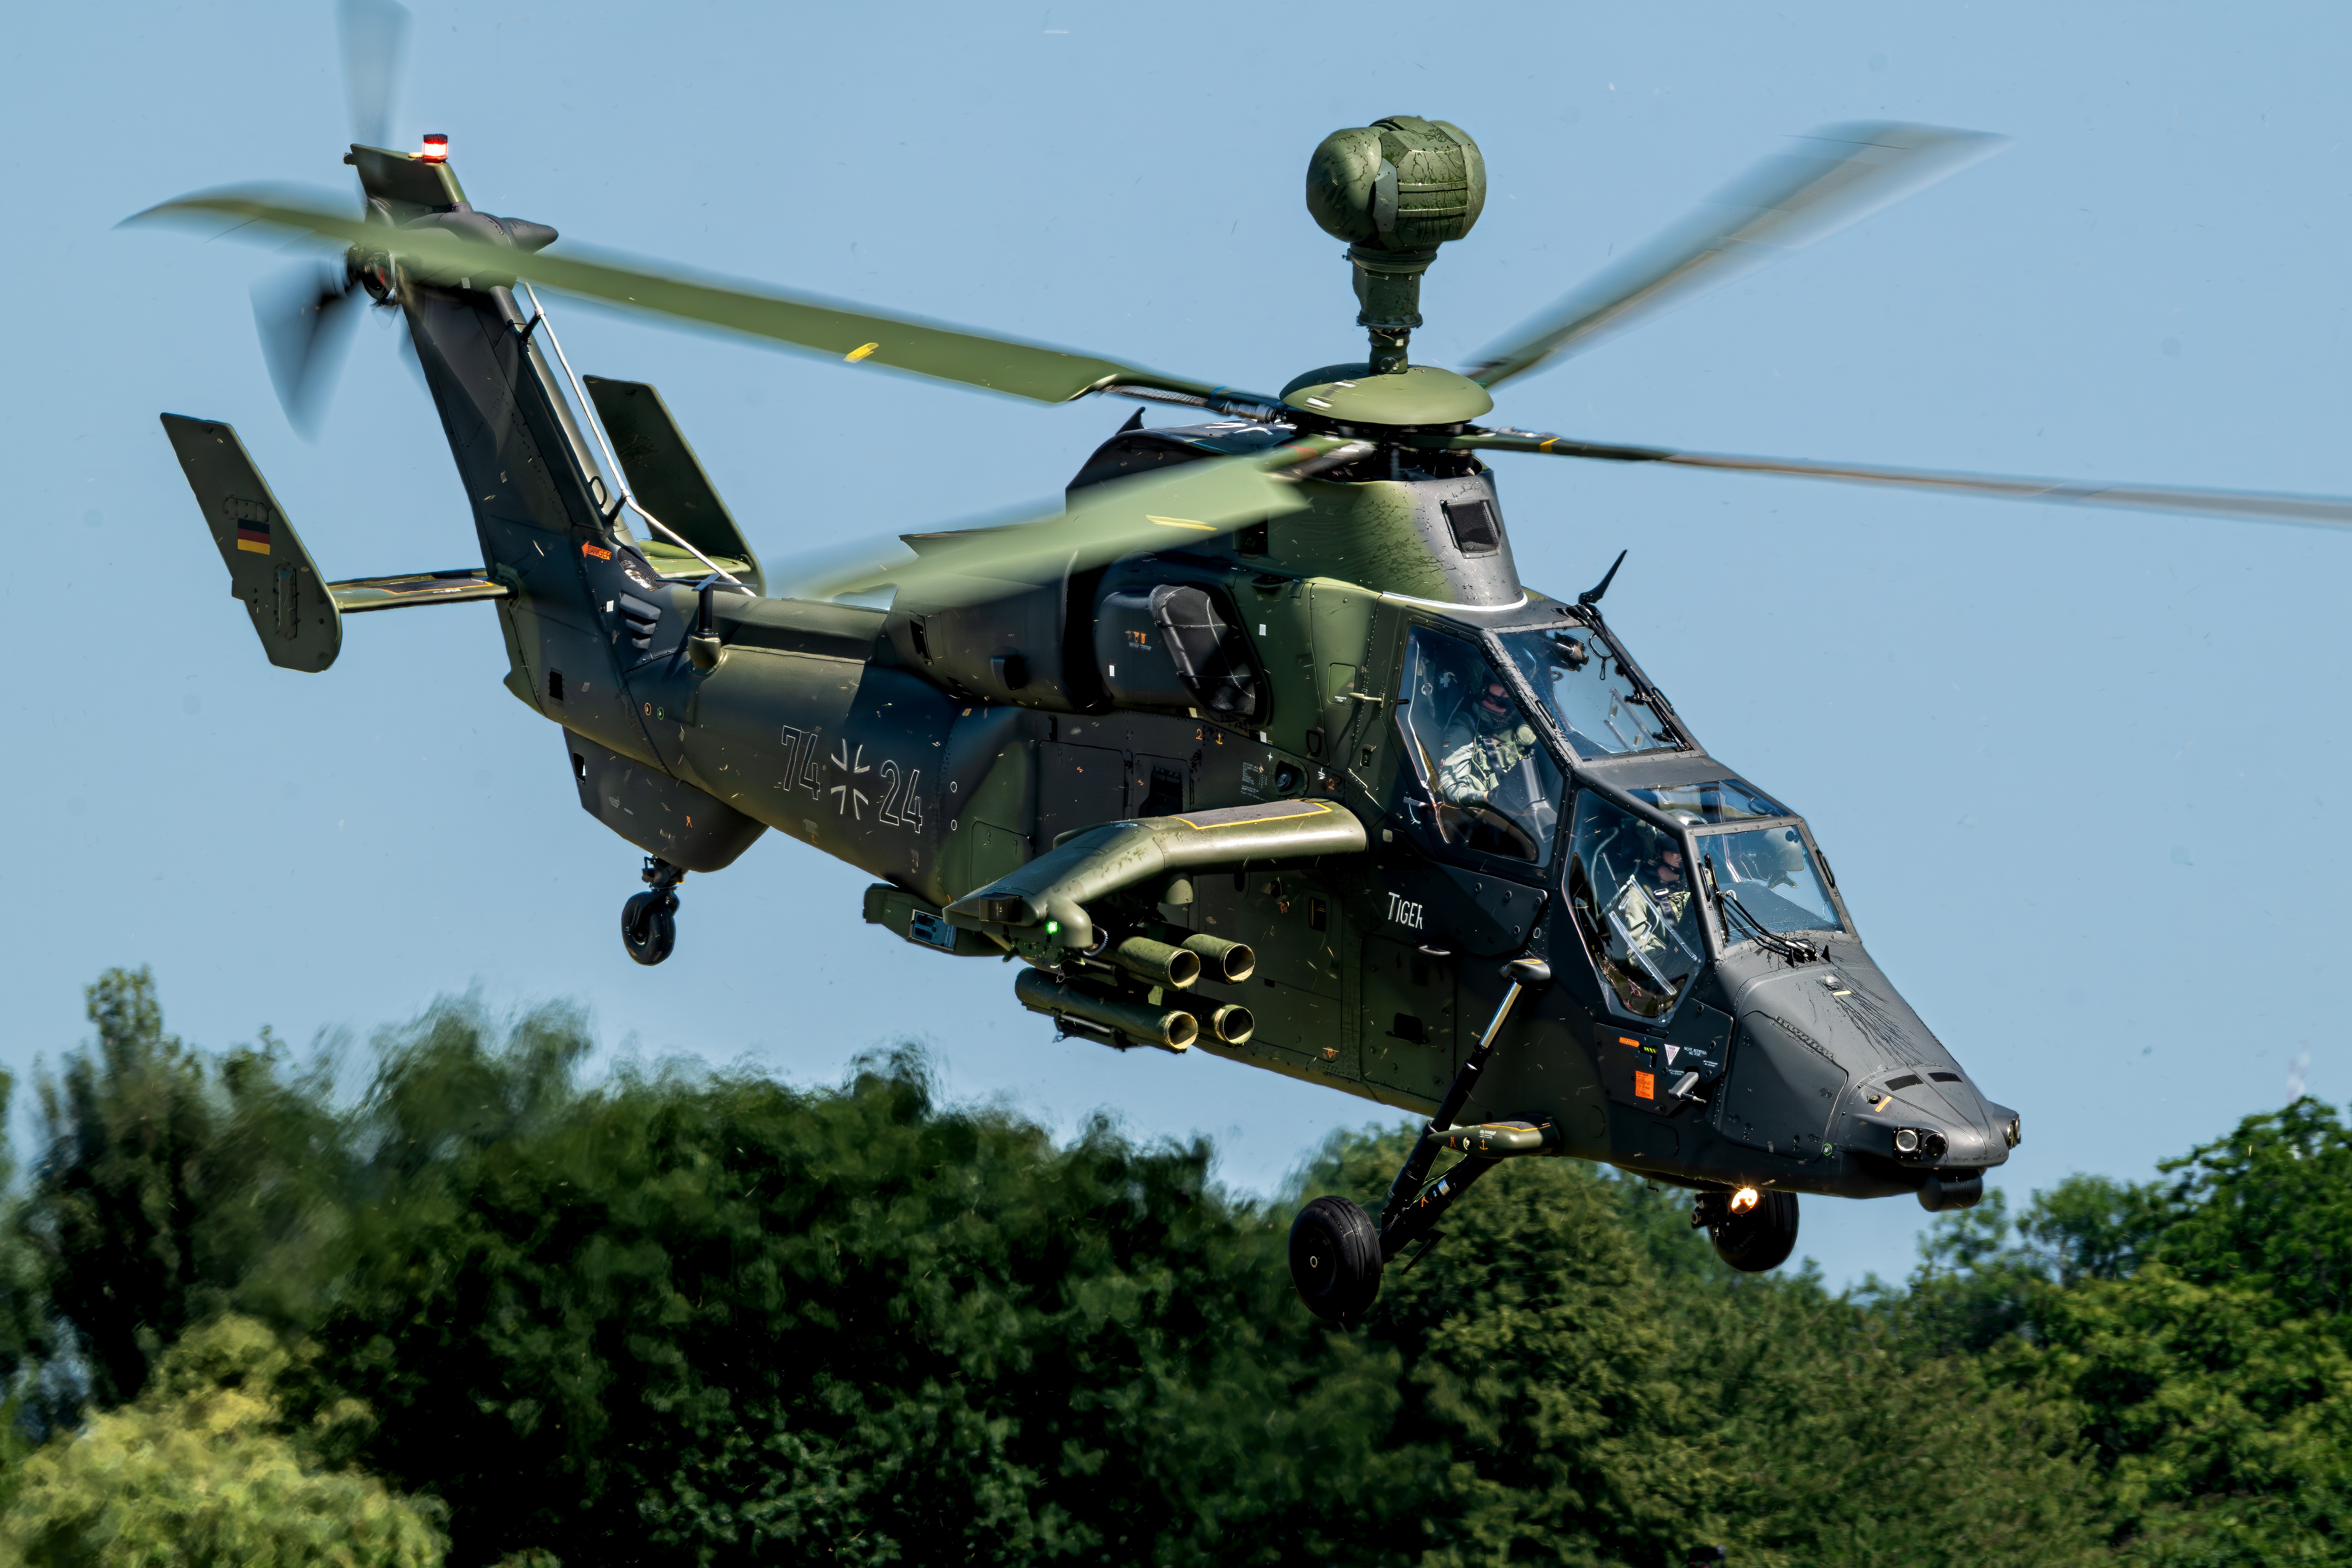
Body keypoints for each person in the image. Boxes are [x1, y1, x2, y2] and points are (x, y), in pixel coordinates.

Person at [1436, 673, 1541, 810]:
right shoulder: (1464, 730)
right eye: (1504, 697)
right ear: (1483, 693)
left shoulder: (1524, 721)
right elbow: (1450, 789)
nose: (1511, 701)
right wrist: (1488, 797)